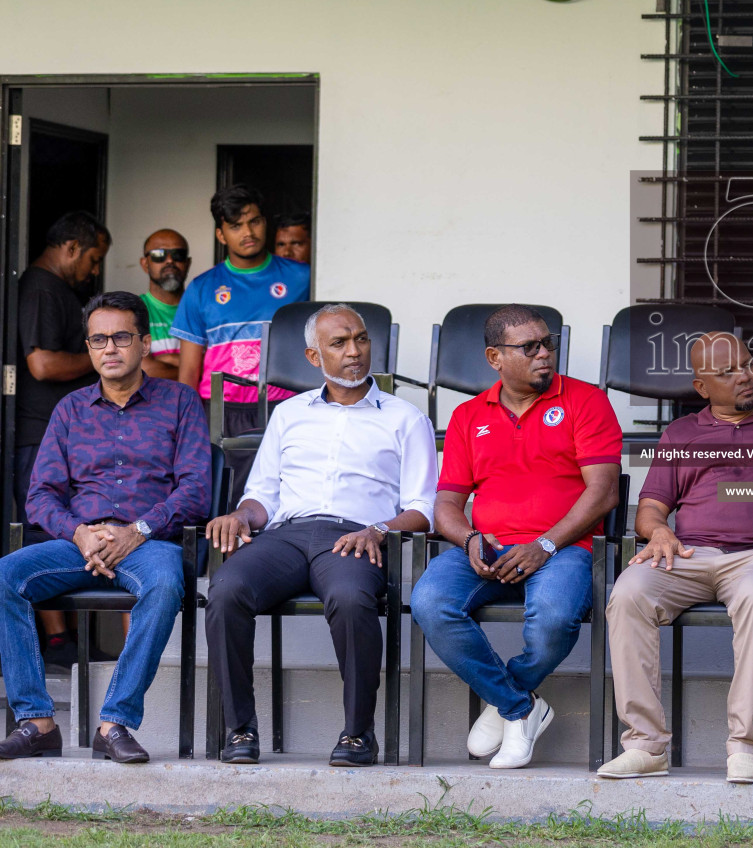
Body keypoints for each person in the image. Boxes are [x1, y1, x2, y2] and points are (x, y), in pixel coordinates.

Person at [599, 332, 753, 784]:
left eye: (748, 365)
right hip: (688, 554)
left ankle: (745, 746)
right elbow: (651, 509)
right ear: (702, 388)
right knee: (629, 592)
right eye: (727, 372)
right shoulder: (681, 433)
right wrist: (660, 531)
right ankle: (646, 745)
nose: (746, 377)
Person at [203, 304, 435, 767]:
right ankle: (240, 729)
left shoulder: (405, 417)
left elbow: (423, 509)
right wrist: (240, 517)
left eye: (361, 339)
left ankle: (357, 734)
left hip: (357, 537)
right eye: (340, 343)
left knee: (351, 599)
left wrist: (380, 529)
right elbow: (261, 497)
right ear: (314, 357)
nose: (355, 351)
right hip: (285, 537)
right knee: (227, 589)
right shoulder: (289, 414)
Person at [0, 291, 210, 764]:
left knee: (164, 584)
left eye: (120, 337)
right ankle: (37, 722)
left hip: (150, 542)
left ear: (145, 342)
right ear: (90, 347)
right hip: (83, 541)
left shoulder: (180, 402)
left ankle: (115, 723)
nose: (109, 348)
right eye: (98, 339)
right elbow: (40, 495)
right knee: (3, 576)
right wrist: (80, 532)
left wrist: (138, 528)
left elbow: (195, 489)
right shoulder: (70, 409)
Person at [411, 305, 621, 770]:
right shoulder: (469, 416)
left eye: (549, 344)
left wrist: (545, 543)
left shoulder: (585, 401)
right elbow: (445, 505)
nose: (545, 354)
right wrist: (469, 539)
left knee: (552, 620)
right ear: (495, 357)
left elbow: (603, 493)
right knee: (429, 601)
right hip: (488, 546)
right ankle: (521, 707)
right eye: (530, 347)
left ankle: (504, 700)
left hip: (565, 546)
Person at [15, 210, 112, 669]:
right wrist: (96, 363)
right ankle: (57, 641)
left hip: (63, 432)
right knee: (42, 531)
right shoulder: (40, 286)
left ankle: (72, 640)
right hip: (36, 432)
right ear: (71, 248)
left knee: (73, 527)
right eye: (93, 258)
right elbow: (42, 365)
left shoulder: (59, 290)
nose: (94, 270)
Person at [170, 185, 309, 491]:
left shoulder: (303, 277)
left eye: (254, 221)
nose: (248, 232)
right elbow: (189, 370)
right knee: (225, 498)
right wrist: (183, 426)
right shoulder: (202, 288)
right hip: (221, 409)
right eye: (235, 226)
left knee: (286, 494)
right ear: (221, 235)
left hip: (284, 404)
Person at [138, 229, 191, 381]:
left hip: (195, 403)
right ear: (145, 264)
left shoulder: (204, 308)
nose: (169, 261)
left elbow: (216, 366)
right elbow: (142, 370)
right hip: (151, 404)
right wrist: (194, 367)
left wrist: (165, 360)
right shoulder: (132, 311)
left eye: (178, 255)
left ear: (187, 263)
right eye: (158, 255)